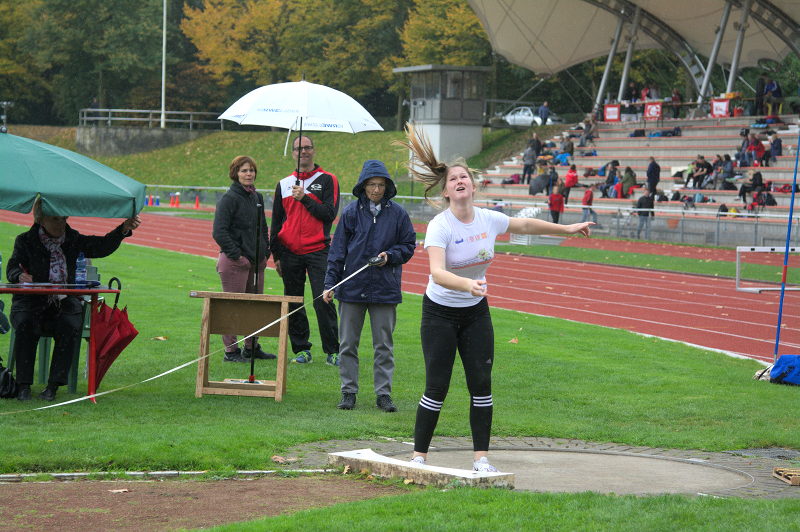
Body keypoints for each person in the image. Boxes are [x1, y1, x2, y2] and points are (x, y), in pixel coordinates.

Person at [396, 124, 592, 473]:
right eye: (454, 178)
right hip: (439, 312)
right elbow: (437, 272)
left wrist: (567, 228)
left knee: (481, 384)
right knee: (436, 386)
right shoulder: (441, 225)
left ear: (473, 186)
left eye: (465, 178)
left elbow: (526, 227)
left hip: (475, 313)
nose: (460, 181)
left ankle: (481, 459)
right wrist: (465, 284)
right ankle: (419, 458)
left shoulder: (488, 219)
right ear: (445, 191)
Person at [5, 198, 141, 401]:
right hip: (31, 301)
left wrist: (122, 229)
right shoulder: (24, 240)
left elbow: (101, 247)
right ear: (41, 220)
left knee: (69, 324)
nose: (61, 224)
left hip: (64, 301)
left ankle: (53, 386)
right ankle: (23, 385)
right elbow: (12, 267)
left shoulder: (73, 238)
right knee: (25, 323)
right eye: (55, 219)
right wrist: (18, 275)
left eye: (64, 219)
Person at [323, 160, 416, 412]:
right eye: (372, 185)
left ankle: (383, 394)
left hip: (385, 290)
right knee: (347, 344)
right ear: (363, 186)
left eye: (381, 185)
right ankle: (348, 391)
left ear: (387, 187)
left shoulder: (398, 214)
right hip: (351, 289)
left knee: (383, 345)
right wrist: (330, 283)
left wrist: (390, 256)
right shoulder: (351, 213)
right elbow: (337, 252)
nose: (376, 190)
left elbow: (408, 246)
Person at [270, 135, 340, 365]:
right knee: (293, 301)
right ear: (293, 153)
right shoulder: (283, 184)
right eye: (299, 148)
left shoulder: (328, 180)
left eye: (308, 147)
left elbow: (329, 214)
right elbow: (277, 223)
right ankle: (301, 349)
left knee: (324, 299)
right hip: (290, 252)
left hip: (318, 249)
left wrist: (306, 198)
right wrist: (277, 255)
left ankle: (333, 351)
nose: (304, 152)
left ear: (314, 151)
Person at [212, 155, 274, 362]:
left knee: (254, 306)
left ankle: (252, 347)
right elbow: (219, 232)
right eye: (244, 170)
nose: (249, 174)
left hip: (257, 262)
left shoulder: (256, 197)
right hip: (234, 263)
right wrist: (238, 256)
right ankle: (231, 351)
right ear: (235, 173)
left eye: (252, 170)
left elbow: (262, 227)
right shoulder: (230, 199)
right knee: (234, 307)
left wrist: (265, 252)